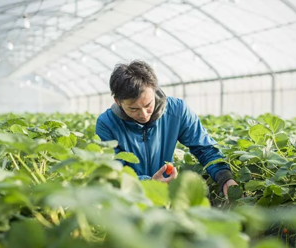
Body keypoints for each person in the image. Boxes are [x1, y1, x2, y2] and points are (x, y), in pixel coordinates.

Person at [95, 60, 238, 197]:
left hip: (166, 196)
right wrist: (149, 183)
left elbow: (204, 148)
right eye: (133, 109)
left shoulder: (177, 111)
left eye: (148, 104)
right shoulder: (107, 124)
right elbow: (114, 173)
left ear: (154, 90)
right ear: (118, 102)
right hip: (130, 199)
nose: (143, 114)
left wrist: (224, 177)